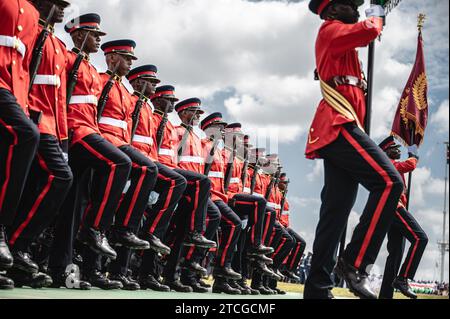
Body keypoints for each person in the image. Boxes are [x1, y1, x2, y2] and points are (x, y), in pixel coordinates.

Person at [304, 0, 404, 299]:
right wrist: (378, 10)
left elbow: (363, 37)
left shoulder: (342, 41)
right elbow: (369, 30)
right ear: (332, 10)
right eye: (349, 4)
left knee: (334, 212)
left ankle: (317, 290)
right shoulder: (330, 30)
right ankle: (355, 262)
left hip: (343, 126)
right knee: (389, 182)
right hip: (337, 125)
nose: (356, 8)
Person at [48, 13, 131, 290]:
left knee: (74, 209)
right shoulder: (68, 60)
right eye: (94, 35)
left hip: (89, 138)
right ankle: (93, 231)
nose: (98, 39)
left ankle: (67, 273)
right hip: (75, 134)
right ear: (79, 35)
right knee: (120, 163)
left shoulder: (93, 71)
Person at [79, 39, 157, 288]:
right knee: (95, 214)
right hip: (101, 147)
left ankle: (98, 269)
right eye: (126, 58)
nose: (130, 62)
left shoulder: (125, 93)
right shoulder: (101, 81)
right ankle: (90, 266)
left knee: (107, 215)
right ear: (112, 58)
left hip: (119, 152)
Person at [7, 0, 73, 288]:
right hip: (27, 111)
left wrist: (63, 139)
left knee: (56, 178)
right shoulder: (33, 27)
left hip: (43, 121)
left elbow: (59, 98)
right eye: (57, 4)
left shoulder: (57, 44)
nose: (62, 9)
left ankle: (18, 247)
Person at [0, 0, 40, 290]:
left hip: (12, 91)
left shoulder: (33, 12)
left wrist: (23, 104)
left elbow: (23, 65)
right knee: (26, 135)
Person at [378, 136, 428, 299]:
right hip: (394, 207)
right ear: (385, 152)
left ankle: (386, 295)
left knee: (395, 255)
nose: (398, 151)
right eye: (394, 149)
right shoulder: (389, 164)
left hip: (394, 209)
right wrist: (414, 155)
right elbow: (409, 165)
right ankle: (403, 278)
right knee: (420, 238)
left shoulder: (392, 165)